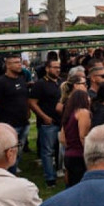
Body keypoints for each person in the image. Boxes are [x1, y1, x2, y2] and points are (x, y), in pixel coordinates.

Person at [0, 55, 30, 168]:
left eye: (20, 62)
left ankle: (15, 168)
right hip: (9, 123)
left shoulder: (21, 80)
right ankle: (8, 169)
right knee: (8, 150)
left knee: (19, 149)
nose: (19, 64)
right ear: (8, 65)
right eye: (16, 62)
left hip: (24, 122)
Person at [28, 57, 62, 187]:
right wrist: (44, 116)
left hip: (61, 121)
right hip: (48, 123)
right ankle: (50, 178)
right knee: (47, 151)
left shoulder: (60, 82)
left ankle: (59, 171)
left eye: (59, 67)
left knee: (60, 149)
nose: (58, 70)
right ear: (47, 69)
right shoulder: (40, 84)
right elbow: (32, 103)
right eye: (55, 67)